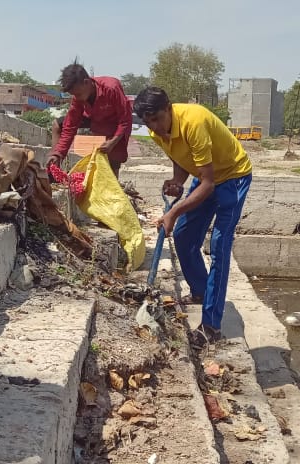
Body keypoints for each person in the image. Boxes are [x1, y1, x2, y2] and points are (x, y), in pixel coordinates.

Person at [133, 87, 253, 349]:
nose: (155, 127)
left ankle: (211, 326)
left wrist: (173, 211)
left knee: (219, 248)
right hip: (206, 175)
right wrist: (177, 181)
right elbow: (180, 155)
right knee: (184, 235)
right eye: (148, 122)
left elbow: (208, 185)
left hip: (232, 177)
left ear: (169, 109)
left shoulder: (194, 121)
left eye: (157, 119)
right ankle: (200, 290)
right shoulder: (156, 130)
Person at [49, 62, 132, 179]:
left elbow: (125, 119)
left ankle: (113, 188)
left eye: (78, 94)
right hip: (93, 118)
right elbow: (70, 127)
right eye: (74, 95)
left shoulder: (111, 88)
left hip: (114, 122)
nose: (76, 98)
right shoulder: (78, 99)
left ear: (87, 82)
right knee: (57, 125)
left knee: (113, 160)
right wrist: (58, 153)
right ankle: (54, 169)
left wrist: (112, 142)